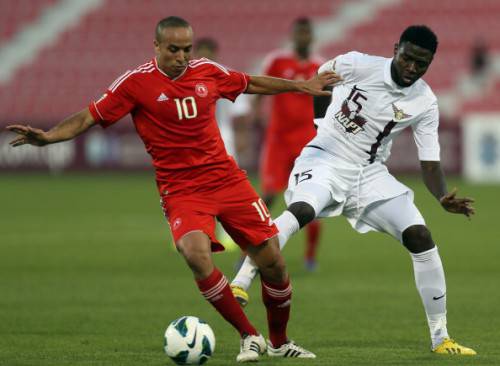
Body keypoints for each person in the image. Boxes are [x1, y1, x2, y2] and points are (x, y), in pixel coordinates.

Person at [6, 16, 340, 362]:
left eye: (186, 49)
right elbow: (89, 116)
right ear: (157, 47)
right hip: (181, 190)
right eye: (173, 49)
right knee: (195, 255)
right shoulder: (136, 83)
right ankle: (249, 336)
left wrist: (301, 86)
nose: (181, 56)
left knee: (273, 263)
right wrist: (48, 137)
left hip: (226, 179)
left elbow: (249, 82)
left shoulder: (207, 71)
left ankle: (280, 342)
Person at [231, 25, 477, 356]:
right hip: (325, 159)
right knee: (302, 210)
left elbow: (430, 163)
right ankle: (242, 280)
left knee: (420, 236)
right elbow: (321, 76)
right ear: (395, 49)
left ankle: (441, 338)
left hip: (369, 174)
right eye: (408, 59)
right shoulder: (357, 64)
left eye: (422, 64)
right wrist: (320, 126)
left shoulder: (424, 101)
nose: (412, 68)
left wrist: (441, 196)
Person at [257, 17, 325, 272]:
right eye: (299, 33)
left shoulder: (321, 66)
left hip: (307, 143)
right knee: (268, 197)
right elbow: (260, 86)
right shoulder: (277, 61)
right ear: (293, 35)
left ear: (312, 37)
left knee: (311, 199)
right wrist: (254, 114)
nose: (303, 38)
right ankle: (250, 251)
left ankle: (310, 257)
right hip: (277, 141)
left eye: (306, 33)